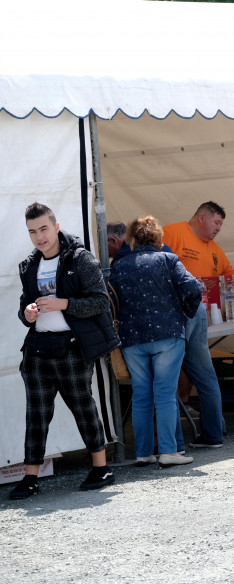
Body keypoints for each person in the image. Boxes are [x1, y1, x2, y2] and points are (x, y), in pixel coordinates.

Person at [11, 203, 119, 499]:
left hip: (71, 346)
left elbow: (100, 302)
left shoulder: (80, 258)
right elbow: (23, 305)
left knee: (82, 406)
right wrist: (28, 313)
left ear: (56, 227)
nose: (39, 236)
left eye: (44, 229)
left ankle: (101, 467)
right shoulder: (29, 265)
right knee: (37, 414)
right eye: (32, 231)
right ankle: (30, 478)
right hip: (37, 349)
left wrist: (64, 303)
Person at [111, 216, 202, 468]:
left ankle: (143, 453)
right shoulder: (168, 259)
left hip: (132, 338)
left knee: (141, 395)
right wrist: (186, 312)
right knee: (164, 394)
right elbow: (193, 288)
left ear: (131, 239)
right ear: (157, 238)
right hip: (167, 334)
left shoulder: (118, 266)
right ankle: (169, 452)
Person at [162, 201, 229, 449]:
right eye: (217, 222)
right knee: (187, 376)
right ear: (201, 217)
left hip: (195, 314)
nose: (219, 228)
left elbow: (229, 277)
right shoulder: (173, 232)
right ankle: (198, 437)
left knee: (198, 377)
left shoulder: (214, 249)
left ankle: (186, 441)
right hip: (177, 313)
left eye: (221, 224)